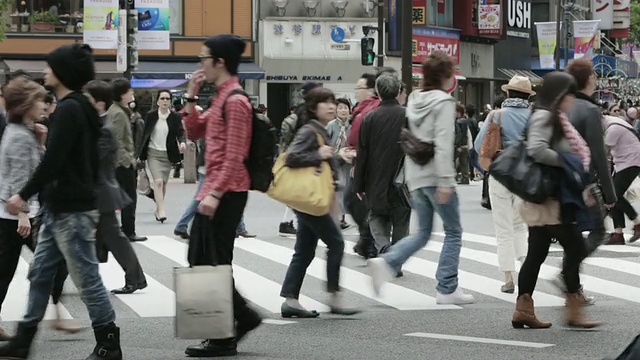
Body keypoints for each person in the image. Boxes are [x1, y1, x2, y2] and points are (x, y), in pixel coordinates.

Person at [0, 43, 122, 359]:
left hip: (72, 210)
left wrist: (22, 194)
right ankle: (23, 341)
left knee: (87, 279)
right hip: (61, 208)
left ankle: (109, 343)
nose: (45, 70)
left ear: (63, 72)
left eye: (50, 66)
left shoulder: (70, 109)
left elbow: (53, 161)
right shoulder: (77, 106)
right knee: (40, 273)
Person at [367, 51, 475, 306]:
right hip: (437, 176)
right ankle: (447, 288)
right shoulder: (444, 103)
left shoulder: (415, 99)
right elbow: (444, 143)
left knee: (423, 232)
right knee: (453, 231)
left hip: (414, 175)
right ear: (446, 77)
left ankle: (387, 261)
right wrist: (447, 181)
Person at [181, 34, 262, 358]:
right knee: (203, 259)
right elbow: (194, 131)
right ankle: (235, 323)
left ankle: (226, 333)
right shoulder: (220, 98)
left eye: (204, 58)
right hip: (213, 189)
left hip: (226, 192)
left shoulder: (237, 101)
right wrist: (191, 97)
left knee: (210, 261)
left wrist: (214, 193)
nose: (200, 65)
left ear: (220, 62)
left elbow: (236, 155)